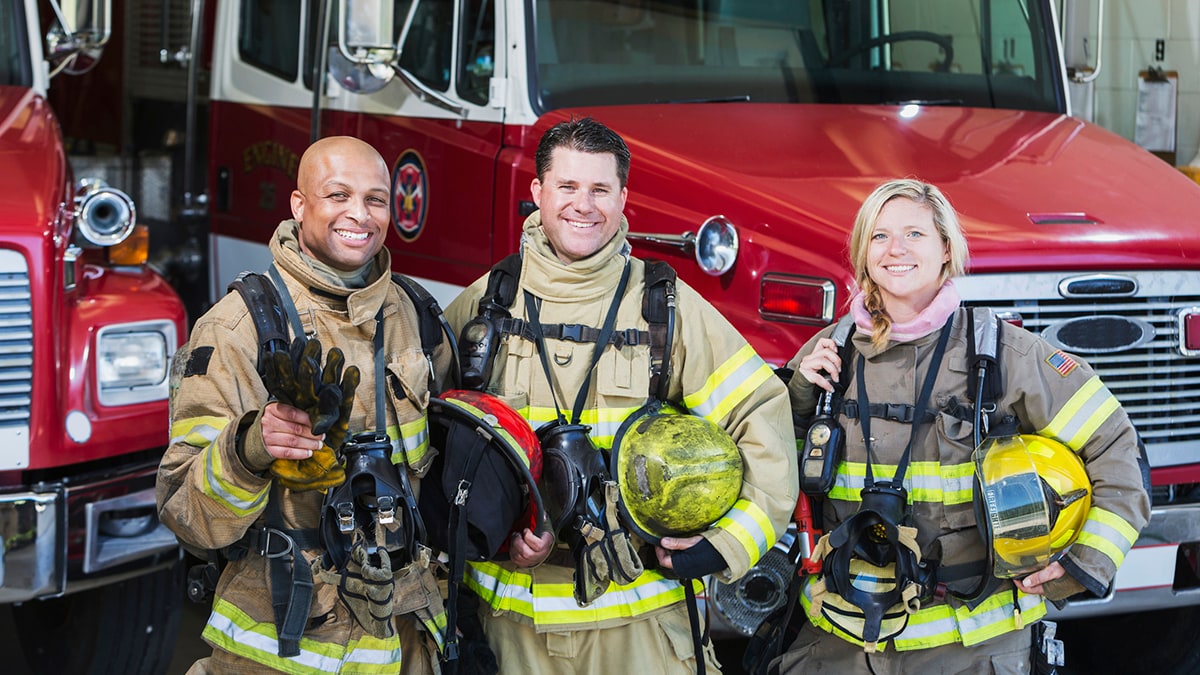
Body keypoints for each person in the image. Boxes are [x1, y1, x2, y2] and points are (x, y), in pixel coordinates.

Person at [443, 117, 798, 673]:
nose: (583, 206)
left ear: (624, 197)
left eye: (600, 189)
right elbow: (429, 446)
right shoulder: (485, 306)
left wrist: (727, 543)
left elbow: (762, 416)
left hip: (642, 632)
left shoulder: (666, 307)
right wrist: (492, 529)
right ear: (536, 192)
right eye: (567, 187)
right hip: (511, 630)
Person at [771, 178, 1150, 672]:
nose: (896, 250)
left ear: (947, 249)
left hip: (972, 647)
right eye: (879, 236)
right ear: (862, 253)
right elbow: (767, 465)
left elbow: (1118, 450)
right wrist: (798, 398)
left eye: (915, 234)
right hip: (842, 640)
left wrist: (1083, 565)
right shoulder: (826, 355)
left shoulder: (1002, 355)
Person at [157, 136, 454, 674]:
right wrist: (251, 449)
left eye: (376, 199)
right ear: (298, 205)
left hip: (404, 637)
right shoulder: (236, 328)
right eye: (337, 195)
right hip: (283, 644)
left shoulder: (416, 315)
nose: (359, 215)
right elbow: (187, 517)